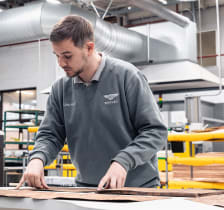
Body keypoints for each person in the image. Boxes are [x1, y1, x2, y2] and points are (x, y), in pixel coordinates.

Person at [16, 15, 167, 190]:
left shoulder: (127, 77)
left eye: (67, 56)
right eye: (56, 56)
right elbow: (50, 135)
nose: (61, 63)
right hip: (87, 189)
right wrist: (37, 158)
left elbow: (155, 131)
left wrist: (123, 161)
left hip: (137, 189)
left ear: (89, 48)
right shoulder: (60, 89)